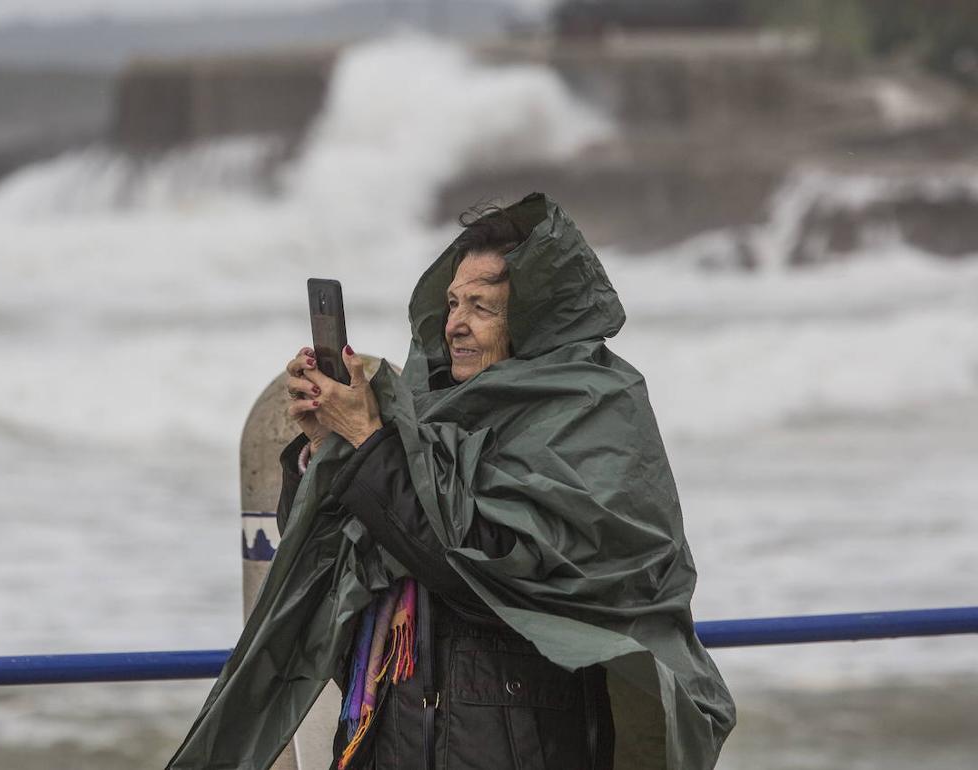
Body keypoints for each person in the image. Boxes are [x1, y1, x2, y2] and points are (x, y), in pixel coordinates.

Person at [167, 193, 736, 770]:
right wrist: (323, 448)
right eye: (452, 303)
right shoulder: (425, 413)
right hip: (393, 731)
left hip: (512, 741)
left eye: (482, 307)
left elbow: (481, 570)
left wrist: (368, 441)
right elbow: (339, 555)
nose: (456, 325)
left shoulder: (594, 415)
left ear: (537, 315)